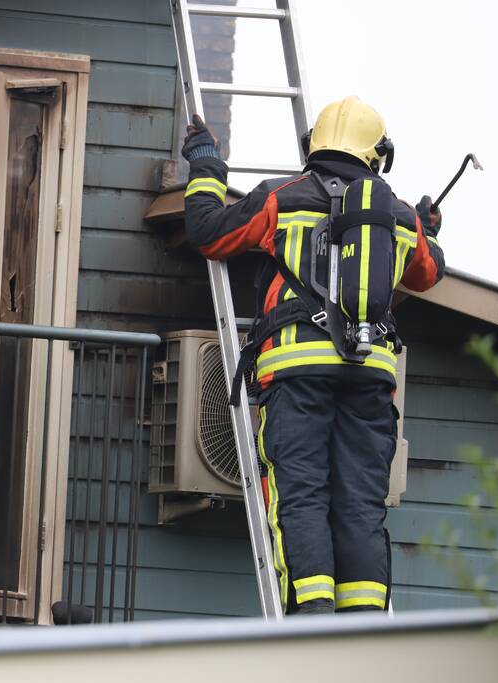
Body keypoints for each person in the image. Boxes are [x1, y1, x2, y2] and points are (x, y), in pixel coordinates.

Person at [182, 96, 445, 615]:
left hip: (296, 373)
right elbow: (428, 272)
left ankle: (313, 617)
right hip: (371, 375)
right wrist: (427, 227)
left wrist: (207, 163)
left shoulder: (284, 197)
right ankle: (363, 619)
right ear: (378, 155)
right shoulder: (398, 217)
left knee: (301, 496)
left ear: (313, 146)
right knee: (360, 506)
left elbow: (209, 233)